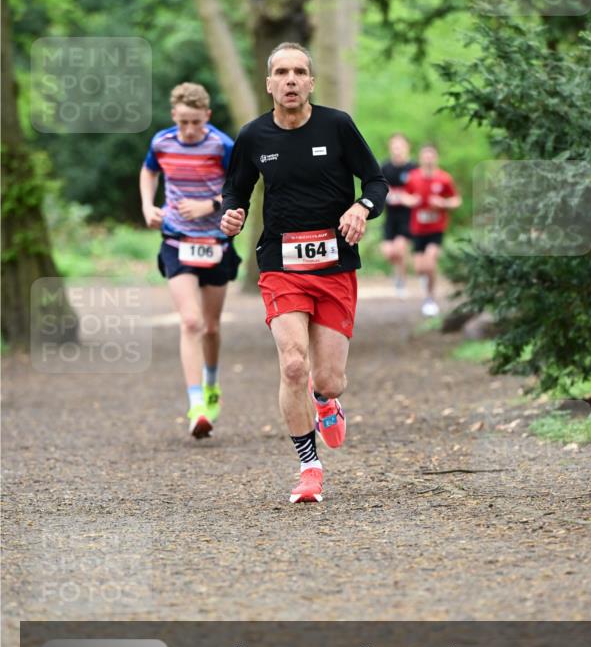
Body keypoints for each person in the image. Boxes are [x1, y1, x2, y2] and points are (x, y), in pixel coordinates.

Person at [220, 42, 388, 504]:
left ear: (311, 81)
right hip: (281, 265)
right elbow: (234, 191)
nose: (290, 80)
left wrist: (362, 207)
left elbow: (376, 181)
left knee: (327, 379)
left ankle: (326, 401)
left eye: (299, 72)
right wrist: (231, 213)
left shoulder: (337, 126)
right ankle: (309, 467)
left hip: (334, 265)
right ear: (269, 83)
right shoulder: (253, 137)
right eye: (281, 72)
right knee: (293, 363)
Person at [139, 82, 240, 438]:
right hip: (176, 239)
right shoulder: (162, 142)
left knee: (211, 327)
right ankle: (196, 404)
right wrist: (148, 206)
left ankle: (212, 385)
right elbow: (148, 171)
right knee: (191, 322)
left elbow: (239, 184)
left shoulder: (222, 145)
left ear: (207, 117)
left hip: (215, 241)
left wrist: (210, 206)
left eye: (196, 122)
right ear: (173, 117)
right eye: (183, 122)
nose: (189, 130)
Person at [404, 144, 461, 317]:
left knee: (430, 262)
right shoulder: (413, 177)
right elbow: (406, 196)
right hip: (417, 229)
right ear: (420, 158)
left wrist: (443, 203)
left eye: (431, 156)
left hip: (436, 228)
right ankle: (427, 282)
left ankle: (430, 298)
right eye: (425, 156)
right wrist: (411, 201)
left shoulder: (444, 179)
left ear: (436, 158)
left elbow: (456, 200)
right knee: (420, 268)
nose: (428, 159)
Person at [380, 133, 417, 297]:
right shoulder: (385, 167)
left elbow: (420, 193)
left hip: (407, 217)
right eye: (394, 146)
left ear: (407, 147)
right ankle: (400, 272)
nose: (397, 150)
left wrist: (408, 199)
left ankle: (402, 282)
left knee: (400, 249)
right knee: (389, 252)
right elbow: (379, 189)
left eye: (400, 146)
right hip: (390, 217)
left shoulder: (414, 168)